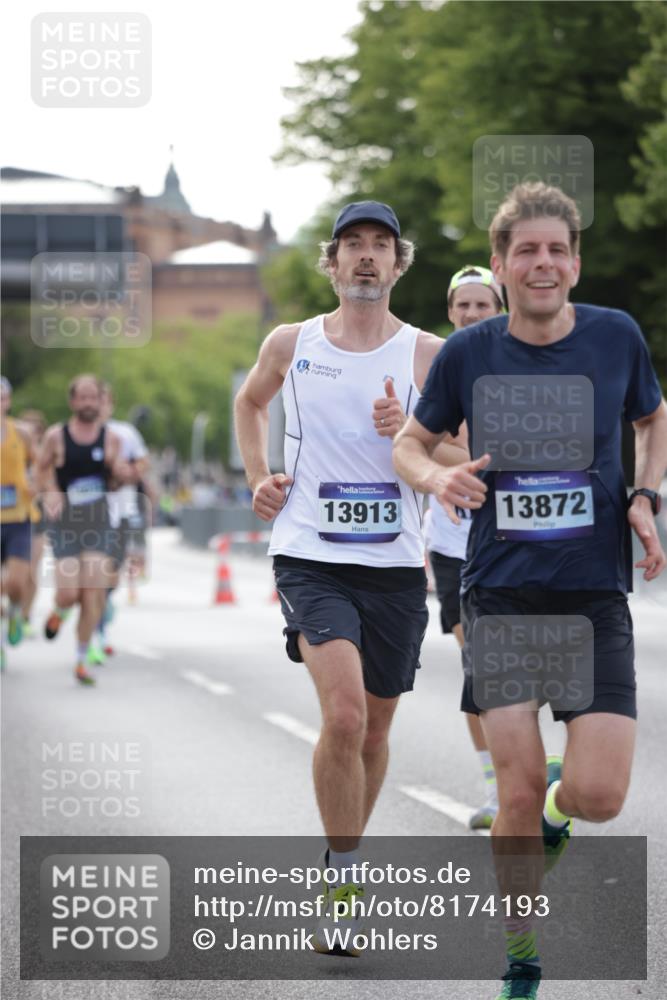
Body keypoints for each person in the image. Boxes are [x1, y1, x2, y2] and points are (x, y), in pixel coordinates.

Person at [393, 182, 667, 999]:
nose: (541, 263)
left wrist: (644, 496)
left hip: (591, 597)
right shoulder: (467, 353)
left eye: (555, 249)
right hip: (504, 599)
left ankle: (556, 813)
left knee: (598, 796)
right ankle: (520, 953)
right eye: (525, 251)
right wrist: (437, 480)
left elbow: (653, 420)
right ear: (504, 265)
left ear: (573, 262)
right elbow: (410, 444)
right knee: (508, 788)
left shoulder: (615, 338)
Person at [234, 200, 466, 955]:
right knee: (343, 719)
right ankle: (342, 881)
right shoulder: (290, 342)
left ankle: (344, 855)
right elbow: (248, 401)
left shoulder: (430, 356)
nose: (366, 257)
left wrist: (412, 438)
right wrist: (259, 476)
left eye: (380, 246)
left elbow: (462, 456)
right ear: (330, 264)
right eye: (351, 246)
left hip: (396, 563)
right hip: (309, 552)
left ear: (399, 264)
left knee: (375, 729)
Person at [427, 266, 504, 829]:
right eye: (464, 306)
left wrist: (448, 447)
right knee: (477, 662)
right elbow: (415, 447)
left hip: (513, 537)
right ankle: (498, 787)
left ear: (500, 308)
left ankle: (524, 769)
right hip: (454, 543)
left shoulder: (522, 362)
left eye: (484, 305)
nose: (473, 314)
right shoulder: (436, 367)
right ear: (451, 311)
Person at [36, 374, 131, 685]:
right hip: (66, 525)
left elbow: (117, 479)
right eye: (84, 397)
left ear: (100, 402)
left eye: (94, 398)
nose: (89, 403)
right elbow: (42, 468)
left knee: (92, 592)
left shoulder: (111, 439)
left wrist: (120, 474)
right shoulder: (56, 436)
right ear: (73, 401)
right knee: (68, 592)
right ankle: (59, 612)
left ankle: (80, 658)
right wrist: (50, 490)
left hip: (98, 524)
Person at [89, 384, 150, 661]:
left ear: (110, 405)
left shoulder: (125, 433)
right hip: (86, 517)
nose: (97, 406)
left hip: (119, 514)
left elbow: (142, 465)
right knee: (92, 578)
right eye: (92, 400)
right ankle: (95, 633)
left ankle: (103, 609)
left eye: (102, 401)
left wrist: (125, 474)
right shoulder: (75, 434)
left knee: (109, 579)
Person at [0, 377, 36, 657]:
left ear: (8, 401)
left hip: (18, 517)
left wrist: (36, 483)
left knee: (16, 582)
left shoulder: (21, 433)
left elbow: (38, 464)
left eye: (2, 397)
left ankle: (14, 611)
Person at [17, 409, 48, 637]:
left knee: (31, 571)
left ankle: (25, 616)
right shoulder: (10, 450)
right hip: (11, 517)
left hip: (36, 517)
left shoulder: (42, 457)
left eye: (34, 429)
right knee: (13, 573)